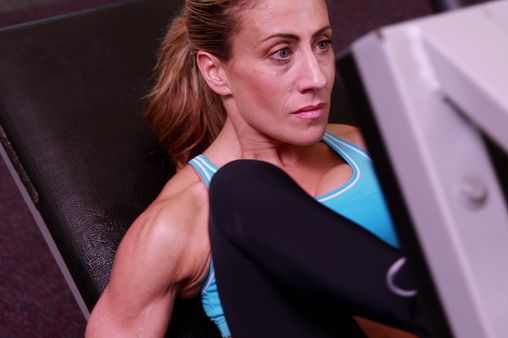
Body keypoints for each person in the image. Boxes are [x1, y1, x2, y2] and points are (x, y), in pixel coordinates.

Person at [86, 0, 429, 337]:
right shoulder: (177, 223)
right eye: (282, 52)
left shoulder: (364, 147)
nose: (317, 77)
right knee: (240, 188)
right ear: (215, 72)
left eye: (322, 43)